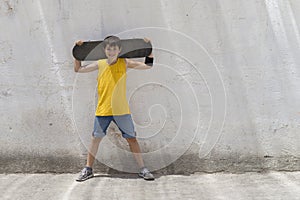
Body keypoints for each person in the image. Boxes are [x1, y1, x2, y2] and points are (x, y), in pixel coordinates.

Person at [74, 35, 155, 181]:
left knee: (132, 139)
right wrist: (77, 51)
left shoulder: (124, 62)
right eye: (109, 49)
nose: (111, 51)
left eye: (114, 49)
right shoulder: (100, 64)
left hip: (121, 110)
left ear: (119, 50)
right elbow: (78, 69)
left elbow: (147, 66)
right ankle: (88, 169)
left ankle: (143, 169)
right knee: (95, 139)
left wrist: (149, 48)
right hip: (103, 110)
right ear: (104, 50)